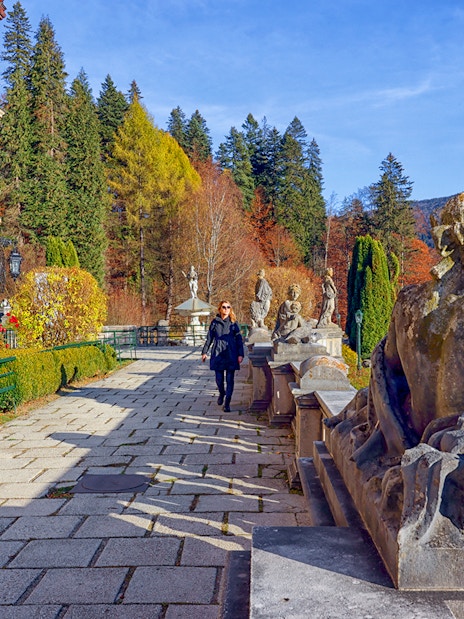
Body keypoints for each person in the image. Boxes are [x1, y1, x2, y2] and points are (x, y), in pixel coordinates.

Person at [201, 300, 244, 412]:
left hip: (231, 352)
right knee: (219, 379)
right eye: (224, 307)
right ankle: (222, 392)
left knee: (230, 379)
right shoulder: (215, 322)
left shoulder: (234, 323)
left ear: (230, 309)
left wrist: (240, 354)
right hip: (218, 352)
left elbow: (239, 339)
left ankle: (227, 403)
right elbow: (209, 338)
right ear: (220, 309)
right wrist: (204, 352)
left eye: (228, 307)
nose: (226, 309)